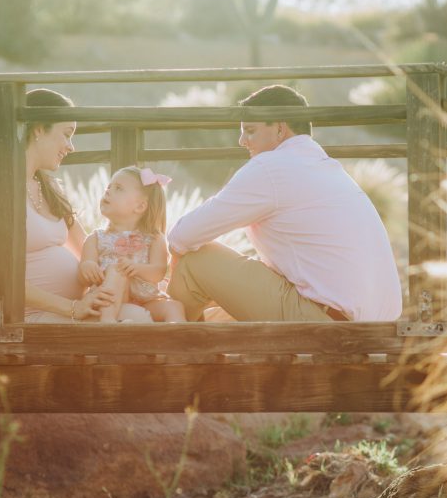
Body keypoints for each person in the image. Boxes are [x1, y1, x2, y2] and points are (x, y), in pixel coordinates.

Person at [166, 84, 402, 322]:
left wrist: (175, 262)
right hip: (370, 331)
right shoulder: (327, 168)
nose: (241, 141)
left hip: (327, 326)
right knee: (217, 317)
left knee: (196, 261)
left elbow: (183, 235)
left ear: (280, 129)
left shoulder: (271, 167)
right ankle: (198, 348)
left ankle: (176, 350)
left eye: (249, 130)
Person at [0, 88, 152, 323]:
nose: (71, 146)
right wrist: (73, 307)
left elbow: (87, 246)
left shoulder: (49, 187)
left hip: (70, 309)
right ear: (40, 130)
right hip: (24, 317)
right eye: (66, 134)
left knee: (142, 315)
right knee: (135, 327)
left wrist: (137, 269)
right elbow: (3, 279)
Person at [79, 166, 186, 323]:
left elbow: (158, 272)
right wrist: (87, 267)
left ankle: (178, 341)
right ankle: (107, 322)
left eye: (118, 188)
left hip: (146, 300)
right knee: (116, 270)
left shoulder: (154, 238)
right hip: (109, 301)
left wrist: (136, 268)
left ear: (140, 206)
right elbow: (83, 279)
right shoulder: (95, 238)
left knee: (175, 306)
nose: (107, 191)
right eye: (108, 187)